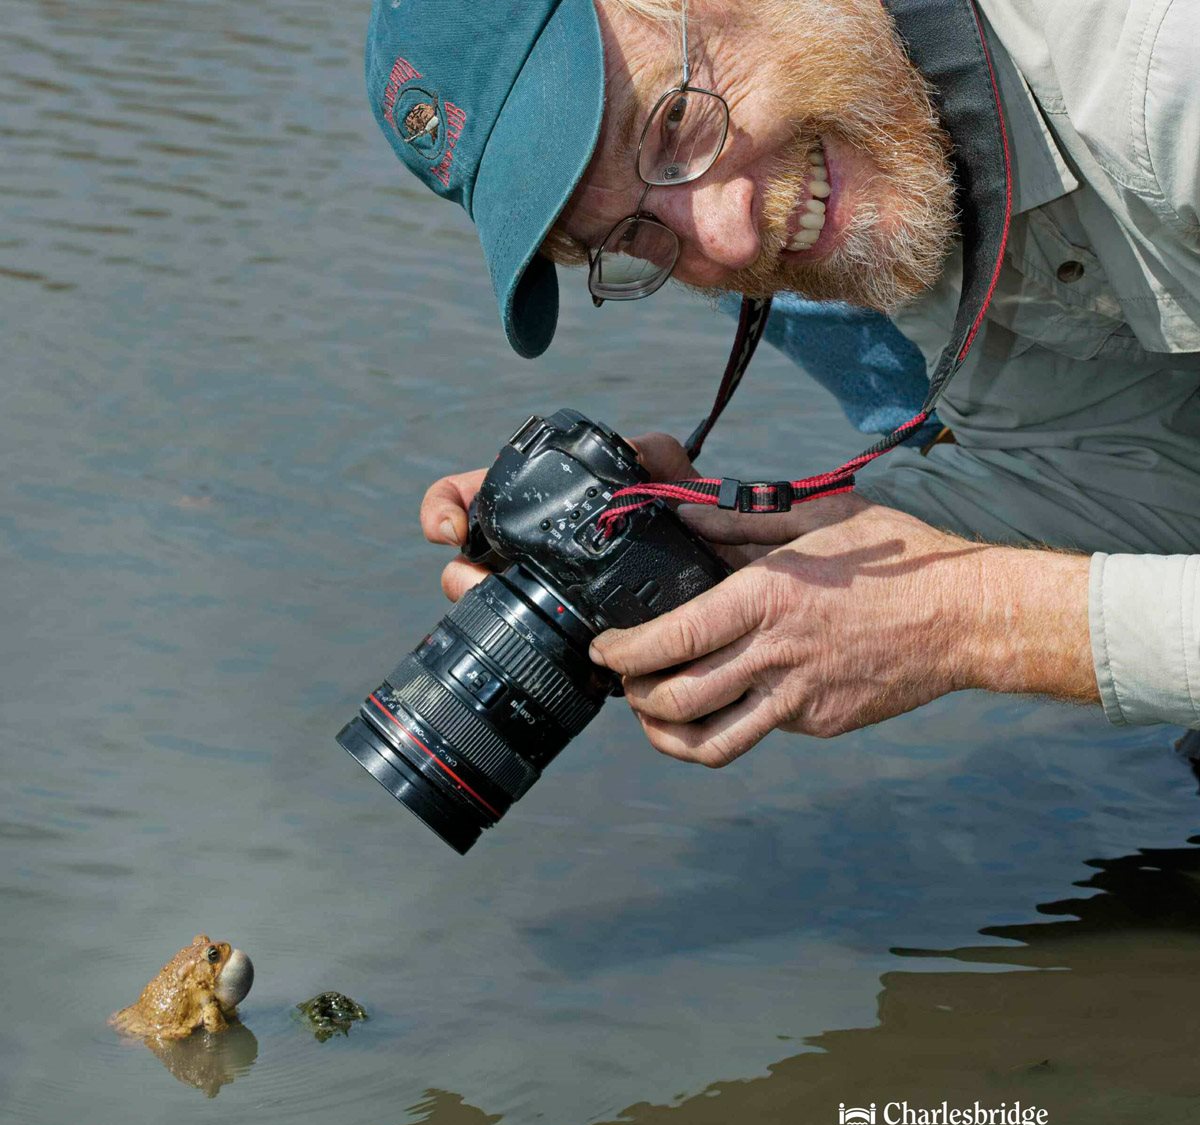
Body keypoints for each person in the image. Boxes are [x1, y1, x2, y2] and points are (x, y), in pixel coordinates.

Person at [365, 0, 1200, 767]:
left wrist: (973, 623)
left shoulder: (1163, 69)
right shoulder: (879, 115)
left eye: (677, 121)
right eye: (634, 235)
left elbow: (992, 609)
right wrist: (747, 552)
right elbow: (1139, 475)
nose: (727, 241)